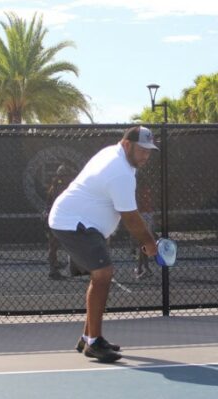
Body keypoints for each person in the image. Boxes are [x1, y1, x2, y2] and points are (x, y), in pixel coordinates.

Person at [48, 126, 159, 363]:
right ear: (127, 145)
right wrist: (150, 243)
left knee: (101, 275)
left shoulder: (116, 156)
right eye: (142, 150)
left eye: (149, 151)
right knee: (103, 274)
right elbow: (130, 216)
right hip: (73, 222)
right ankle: (93, 343)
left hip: (83, 224)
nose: (146, 156)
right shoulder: (119, 170)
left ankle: (88, 337)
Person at [44, 164, 74, 280]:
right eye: (67, 175)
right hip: (58, 219)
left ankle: (54, 265)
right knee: (54, 245)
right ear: (62, 176)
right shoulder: (60, 188)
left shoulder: (59, 186)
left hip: (58, 218)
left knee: (55, 245)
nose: (70, 177)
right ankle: (53, 270)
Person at [132, 182, 154, 279]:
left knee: (142, 243)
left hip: (144, 216)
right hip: (146, 215)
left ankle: (145, 268)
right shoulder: (145, 190)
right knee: (141, 244)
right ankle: (141, 267)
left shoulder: (140, 192)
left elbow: (137, 205)